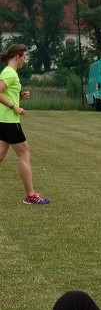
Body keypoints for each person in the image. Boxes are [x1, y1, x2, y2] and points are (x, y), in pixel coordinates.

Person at [0, 44, 49, 205]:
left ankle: (30, 194)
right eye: (25, 57)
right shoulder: (10, 73)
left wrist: (20, 99)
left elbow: (6, 95)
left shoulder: (9, 73)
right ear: (17, 57)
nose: (25, 61)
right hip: (9, 121)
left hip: (4, 120)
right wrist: (14, 107)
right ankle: (30, 195)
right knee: (24, 155)